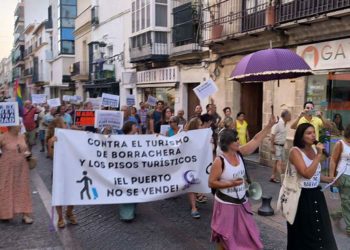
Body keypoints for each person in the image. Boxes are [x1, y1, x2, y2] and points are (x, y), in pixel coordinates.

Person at [209, 115, 276, 250]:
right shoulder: (219, 161)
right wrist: (231, 184)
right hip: (225, 205)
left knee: (249, 236)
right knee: (225, 238)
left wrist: (269, 126)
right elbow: (211, 183)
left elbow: (256, 139)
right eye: (236, 140)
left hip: (241, 203)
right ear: (228, 144)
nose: (239, 141)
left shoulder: (239, 153)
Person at [287, 123, 337, 250]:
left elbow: (315, 174)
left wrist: (328, 179)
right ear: (301, 136)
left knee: (323, 231)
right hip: (301, 197)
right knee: (305, 233)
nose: (313, 135)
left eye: (314, 132)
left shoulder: (314, 149)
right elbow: (306, 173)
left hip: (316, 194)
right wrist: (319, 156)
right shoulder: (295, 152)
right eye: (308, 133)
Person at [47, 117, 77, 228]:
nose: (67, 123)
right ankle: (60, 217)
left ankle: (69, 212)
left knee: (72, 193)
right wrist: (50, 144)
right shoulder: (52, 138)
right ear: (58, 125)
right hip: (58, 171)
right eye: (64, 123)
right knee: (58, 193)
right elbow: (51, 156)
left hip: (71, 170)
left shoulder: (70, 135)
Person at [0, 123, 33, 224]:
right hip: (7, 167)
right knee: (6, 188)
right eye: (18, 125)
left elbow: (25, 149)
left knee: (23, 189)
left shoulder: (22, 136)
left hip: (22, 167)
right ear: (11, 126)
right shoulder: (2, 137)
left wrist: (28, 154)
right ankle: (5, 213)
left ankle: (25, 214)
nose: (20, 126)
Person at [329, 124, 350, 236]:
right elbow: (333, 159)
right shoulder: (340, 144)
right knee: (347, 202)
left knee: (348, 202)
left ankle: (337, 214)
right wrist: (332, 176)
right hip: (343, 176)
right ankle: (349, 227)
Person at [119, 121, 139, 222]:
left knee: (135, 189)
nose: (137, 127)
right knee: (127, 189)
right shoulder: (121, 139)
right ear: (131, 127)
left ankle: (132, 211)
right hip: (125, 170)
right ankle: (126, 214)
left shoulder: (138, 138)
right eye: (135, 126)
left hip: (136, 170)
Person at [184, 117, 203, 218]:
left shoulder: (202, 136)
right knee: (191, 185)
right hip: (189, 164)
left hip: (199, 164)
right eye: (200, 124)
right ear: (195, 126)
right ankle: (193, 208)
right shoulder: (187, 136)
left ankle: (194, 202)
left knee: (197, 183)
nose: (201, 126)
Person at [270, 110, 292, 183]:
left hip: (281, 146)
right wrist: (272, 147)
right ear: (285, 116)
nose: (290, 117)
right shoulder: (278, 124)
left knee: (276, 162)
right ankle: (283, 180)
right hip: (277, 146)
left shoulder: (285, 124)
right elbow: (272, 135)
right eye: (289, 115)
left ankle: (273, 176)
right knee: (280, 163)